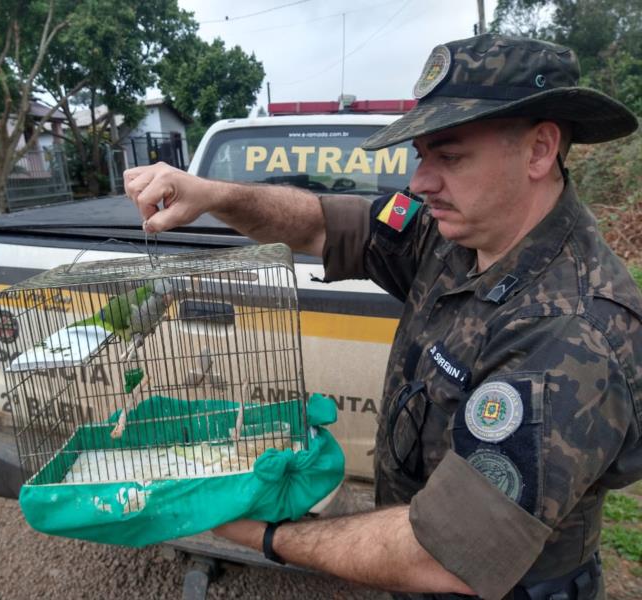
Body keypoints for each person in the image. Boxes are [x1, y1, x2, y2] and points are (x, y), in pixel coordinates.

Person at [124, 34, 642, 600]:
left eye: (449, 156)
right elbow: (320, 222)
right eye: (422, 157)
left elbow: (449, 550)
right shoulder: (452, 232)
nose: (419, 182)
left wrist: (269, 538)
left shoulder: (575, 330)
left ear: (540, 151)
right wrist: (213, 194)